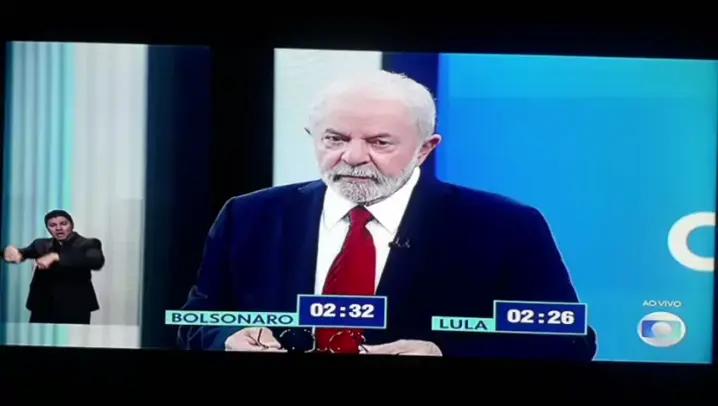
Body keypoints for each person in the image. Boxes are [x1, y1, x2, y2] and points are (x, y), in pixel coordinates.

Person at [178, 70, 598, 360]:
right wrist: (228, 338)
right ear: (313, 137)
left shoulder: (505, 225)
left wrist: (445, 352)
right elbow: (197, 322)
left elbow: (567, 339)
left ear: (426, 149)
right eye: (335, 139)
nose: (353, 157)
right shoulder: (250, 215)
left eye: (379, 142)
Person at [2, 209, 105, 324]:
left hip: (76, 306)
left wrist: (57, 257)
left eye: (63, 224)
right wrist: (13, 253)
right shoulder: (40, 244)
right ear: (48, 228)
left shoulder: (88, 243)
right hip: (42, 306)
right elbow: (23, 253)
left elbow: (95, 261)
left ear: (71, 225)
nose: (58, 228)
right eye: (53, 225)